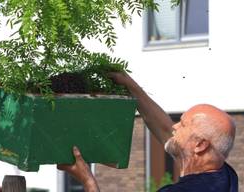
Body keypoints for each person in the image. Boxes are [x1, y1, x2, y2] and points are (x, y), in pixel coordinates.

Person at [57, 73, 238, 192]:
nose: (175, 127)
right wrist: (129, 84)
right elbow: (167, 132)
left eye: (182, 125)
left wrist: (87, 180)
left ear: (200, 145)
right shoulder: (225, 176)